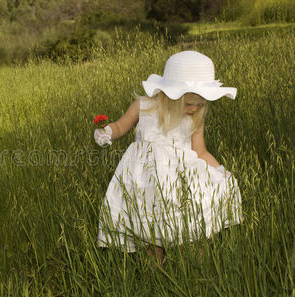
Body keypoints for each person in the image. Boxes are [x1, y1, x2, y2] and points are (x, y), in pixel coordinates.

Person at [94, 50, 242, 265]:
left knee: (187, 230)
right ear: (170, 93)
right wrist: (106, 131)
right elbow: (119, 126)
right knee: (149, 232)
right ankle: (156, 278)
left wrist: (219, 170)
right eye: (190, 103)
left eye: (201, 104)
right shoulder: (144, 106)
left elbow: (200, 152)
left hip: (179, 181)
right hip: (144, 181)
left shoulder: (194, 119)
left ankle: (195, 275)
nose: (195, 108)